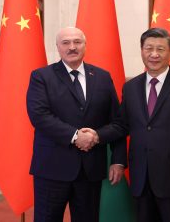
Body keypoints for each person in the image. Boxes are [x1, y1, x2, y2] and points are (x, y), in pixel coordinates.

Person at [92, 28, 170, 222]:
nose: (154, 54)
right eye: (149, 48)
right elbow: (121, 126)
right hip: (141, 177)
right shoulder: (130, 87)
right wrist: (97, 135)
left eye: (160, 49)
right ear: (141, 50)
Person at [26, 27, 126, 222]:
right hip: (52, 168)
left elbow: (118, 122)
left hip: (90, 170)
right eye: (66, 43)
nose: (72, 47)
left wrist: (118, 159)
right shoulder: (41, 77)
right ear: (57, 47)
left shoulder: (102, 77)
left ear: (85, 45)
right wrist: (75, 136)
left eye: (77, 42)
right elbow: (39, 116)